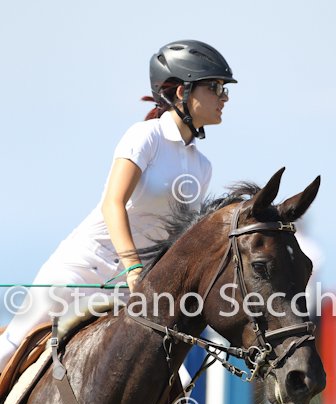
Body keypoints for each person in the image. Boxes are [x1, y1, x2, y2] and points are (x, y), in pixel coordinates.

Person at [0, 40, 237, 374]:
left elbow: (178, 240)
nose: (224, 97)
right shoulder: (145, 136)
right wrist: (133, 267)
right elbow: (113, 203)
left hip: (132, 290)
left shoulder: (203, 167)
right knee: (11, 348)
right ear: (182, 92)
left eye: (224, 89)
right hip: (82, 268)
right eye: (215, 87)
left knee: (175, 382)